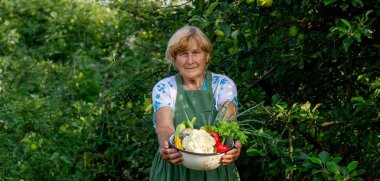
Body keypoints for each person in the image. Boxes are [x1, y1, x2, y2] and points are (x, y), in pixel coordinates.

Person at [149, 25, 242, 181]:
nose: (190, 61)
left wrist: (234, 144)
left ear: (207, 56)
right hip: (174, 169)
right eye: (183, 54)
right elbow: (164, 126)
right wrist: (168, 147)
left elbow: (228, 123)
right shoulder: (164, 87)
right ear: (174, 58)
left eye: (196, 53)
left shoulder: (223, 85)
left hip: (215, 168)